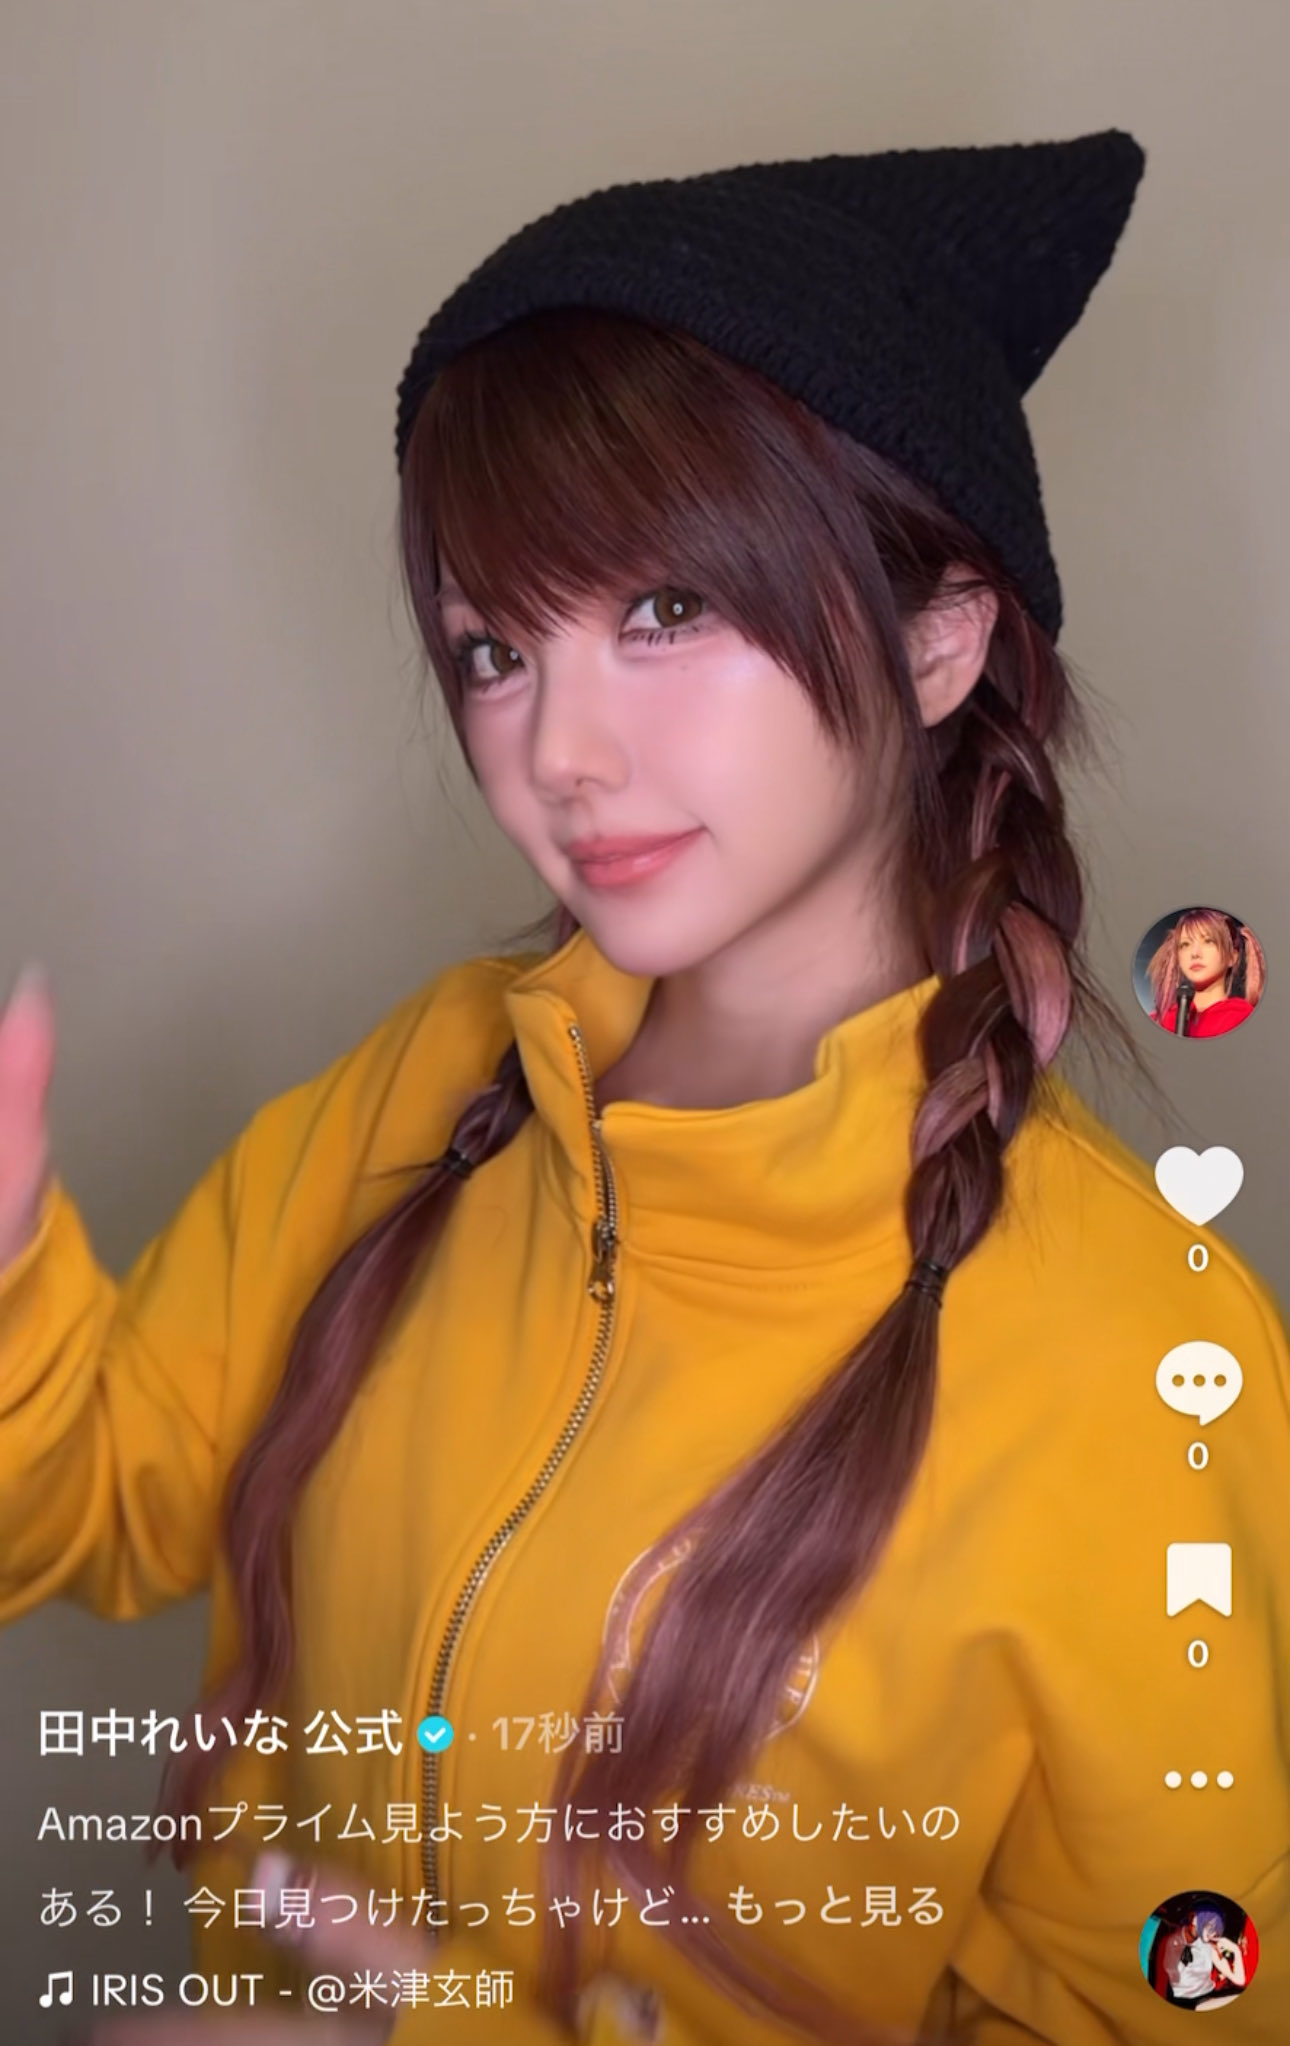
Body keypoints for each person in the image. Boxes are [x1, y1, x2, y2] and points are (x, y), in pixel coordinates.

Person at [1, 131, 1287, 2046]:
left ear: (942, 638)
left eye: (668, 610)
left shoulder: (1145, 1365)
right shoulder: (442, 1078)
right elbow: (105, 1496)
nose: (559, 754)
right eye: (495, 647)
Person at [1146, 907, 1265, 1038]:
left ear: (1232, 957)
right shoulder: (1161, 1021)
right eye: (1185, 944)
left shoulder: (1243, 1019)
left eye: (1208, 941)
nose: (1195, 953)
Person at [1164, 1909, 1247, 2007]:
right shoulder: (1174, 1940)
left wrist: (1236, 1950)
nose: (1213, 1932)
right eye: (1210, 1926)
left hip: (1199, 2001)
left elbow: (1239, 1980)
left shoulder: (1211, 1950)